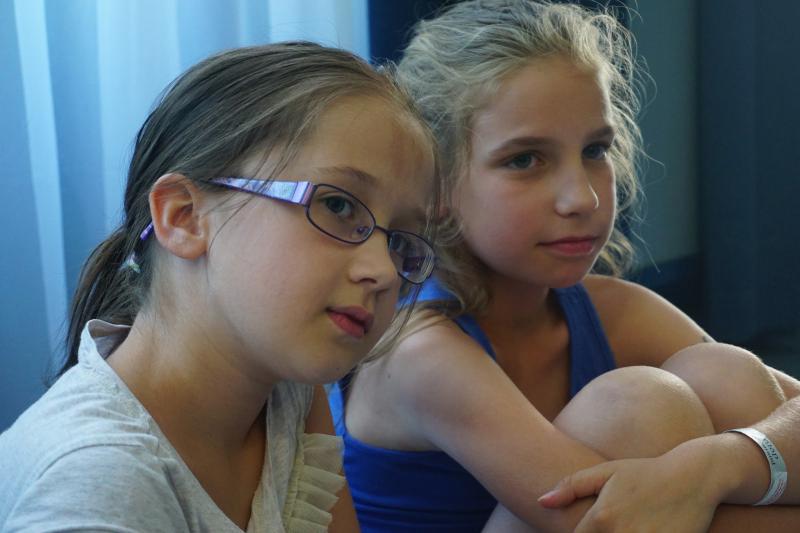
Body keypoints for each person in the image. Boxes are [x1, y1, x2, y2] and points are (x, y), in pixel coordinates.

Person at [329, 1, 800, 531]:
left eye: (595, 151)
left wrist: (720, 465)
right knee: (638, 407)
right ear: (433, 184)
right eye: (525, 160)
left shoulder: (612, 311)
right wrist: (720, 478)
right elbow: (624, 524)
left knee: (723, 371)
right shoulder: (421, 354)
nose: (582, 199)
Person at [0, 42, 438, 532]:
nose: (384, 272)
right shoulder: (97, 488)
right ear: (185, 217)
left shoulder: (287, 391)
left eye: (400, 241)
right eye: (337, 205)